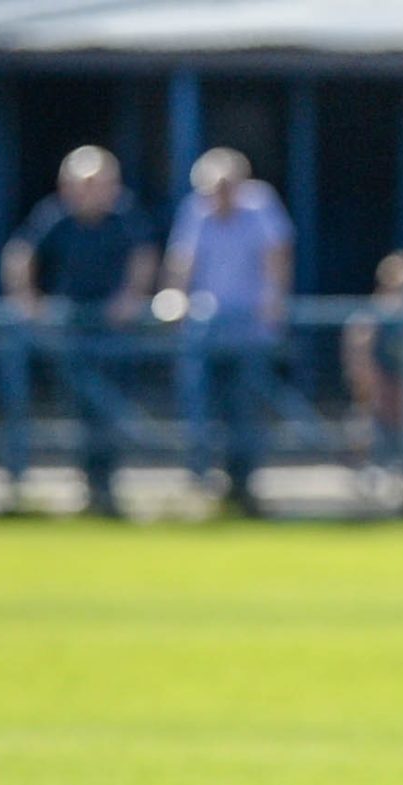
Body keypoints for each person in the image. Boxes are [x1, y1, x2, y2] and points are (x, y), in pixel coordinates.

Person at [0, 146, 156, 518]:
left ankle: (107, 488)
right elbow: (20, 254)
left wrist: (130, 298)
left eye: (98, 183)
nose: (89, 191)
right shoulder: (55, 216)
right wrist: (27, 298)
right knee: (80, 413)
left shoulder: (124, 216)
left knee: (113, 411)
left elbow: (144, 255)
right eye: (82, 183)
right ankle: (88, 487)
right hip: (71, 330)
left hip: (113, 333)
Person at [165, 147, 293, 518]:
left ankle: (243, 486)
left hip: (250, 331)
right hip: (205, 330)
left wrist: (272, 304)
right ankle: (200, 482)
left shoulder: (261, 206)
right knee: (198, 405)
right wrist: (176, 299)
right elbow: (181, 263)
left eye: (226, 186)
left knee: (245, 409)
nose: (219, 195)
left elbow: (277, 257)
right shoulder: (195, 210)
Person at [342, 251, 403, 494]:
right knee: (366, 429)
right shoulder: (370, 316)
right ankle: (369, 482)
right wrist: (371, 388)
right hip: (379, 392)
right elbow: (359, 361)